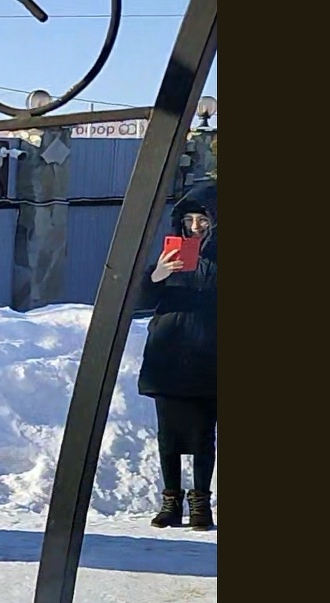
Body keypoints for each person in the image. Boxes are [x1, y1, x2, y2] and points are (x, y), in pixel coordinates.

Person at [139, 183, 218, 530]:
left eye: (203, 220)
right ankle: (170, 500)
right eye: (189, 220)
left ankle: (201, 503)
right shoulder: (169, 256)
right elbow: (139, 300)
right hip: (168, 355)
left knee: (202, 435)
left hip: (208, 356)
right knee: (168, 435)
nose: (196, 227)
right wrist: (158, 275)